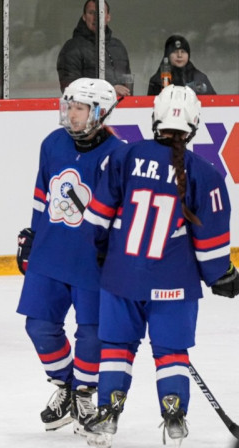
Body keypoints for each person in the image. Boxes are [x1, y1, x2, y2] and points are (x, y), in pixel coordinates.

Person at [81, 85, 239, 446]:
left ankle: (107, 414)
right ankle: (174, 416)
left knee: (117, 347)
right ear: (194, 123)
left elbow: (98, 219)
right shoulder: (207, 175)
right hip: (175, 283)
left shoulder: (125, 156)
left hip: (122, 277)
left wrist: (105, 256)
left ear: (156, 118)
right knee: (171, 351)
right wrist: (222, 276)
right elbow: (211, 247)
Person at [14, 78, 124, 433]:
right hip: (51, 250)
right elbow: (41, 194)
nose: (72, 115)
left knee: (92, 332)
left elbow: (123, 210)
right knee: (38, 325)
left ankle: (84, 394)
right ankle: (65, 385)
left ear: (101, 112)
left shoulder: (118, 154)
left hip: (92, 260)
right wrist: (31, 234)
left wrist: (118, 250)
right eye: (70, 106)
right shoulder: (53, 143)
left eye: (80, 108)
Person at [56, 0, 131, 96]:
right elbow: (70, 89)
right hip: (91, 109)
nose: (96, 18)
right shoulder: (72, 48)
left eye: (101, 12)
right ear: (84, 17)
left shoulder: (118, 46)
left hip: (123, 108)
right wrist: (109, 91)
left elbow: (127, 81)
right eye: (91, 13)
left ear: (108, 17)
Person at [147, 35, 216, 96]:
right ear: (167, 55)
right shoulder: (157, 81)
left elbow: (212, 105)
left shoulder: (199, 78)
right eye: (175, 52)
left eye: (183, 52)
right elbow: (150, 107)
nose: (179, 55)